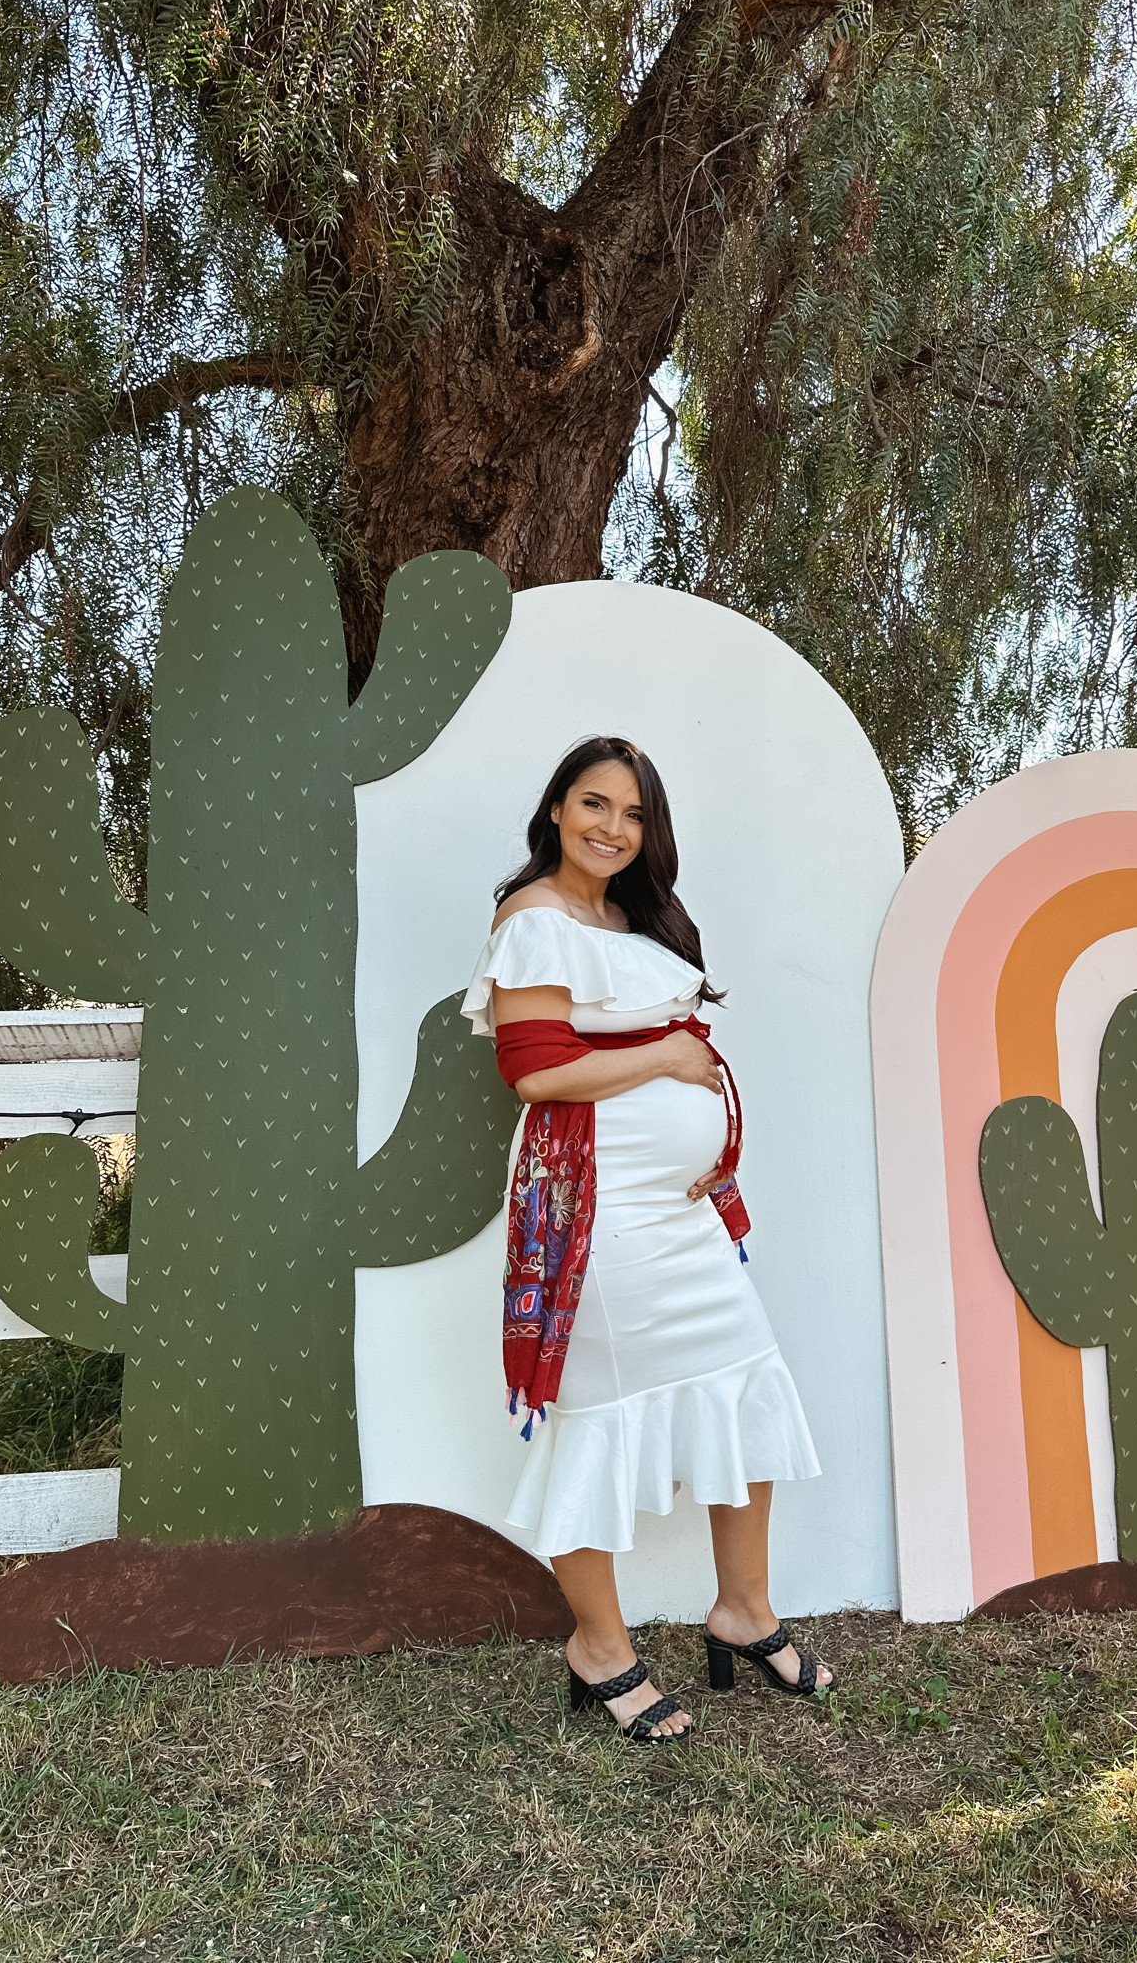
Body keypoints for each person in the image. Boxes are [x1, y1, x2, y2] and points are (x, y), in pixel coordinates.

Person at [461, 736, 832, 1743]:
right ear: (553, 810)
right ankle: (600, 1645)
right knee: (599, 1423)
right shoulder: (531, 918)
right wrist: (669, 1055)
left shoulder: (628, 916)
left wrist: (699, 1108)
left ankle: (744, 1610)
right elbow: (535, 1074)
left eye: (632, 814)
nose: (611, 828)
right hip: (603, 1219)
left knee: (746, 1385)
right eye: (593, 804)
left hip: (681, 1216)